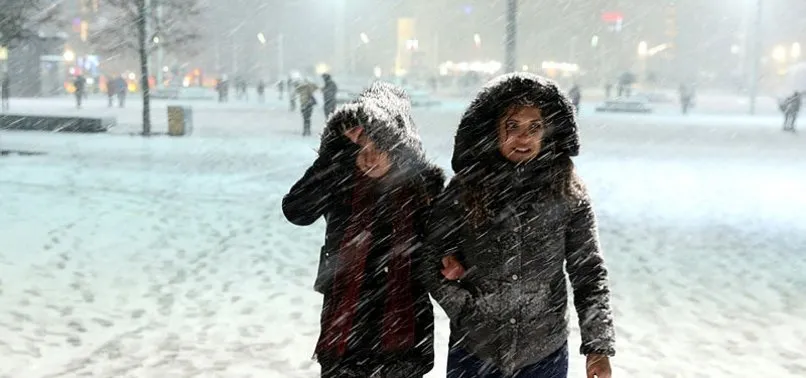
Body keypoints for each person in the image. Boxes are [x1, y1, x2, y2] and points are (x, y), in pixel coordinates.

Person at [424, 73, 615, 378]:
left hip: (543, 353)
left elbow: (588, 272)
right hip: (474, 351)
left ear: (547, 132)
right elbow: (430, 254)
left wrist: (598, 347)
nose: (523, 138)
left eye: (534, 127)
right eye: (512, 126)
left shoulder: (568, 193)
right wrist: (465, 308)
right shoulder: (464, 189)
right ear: (493, 131)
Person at [283, 82, 444, 378]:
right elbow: (296, 211)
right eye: (361, 147)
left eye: (379, 146)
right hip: (345, 335)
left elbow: (445, 245)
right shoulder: (341, 180)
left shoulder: (422, 189)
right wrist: (334, 156)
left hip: (404, 337)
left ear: (399, 147)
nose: (369, 157)